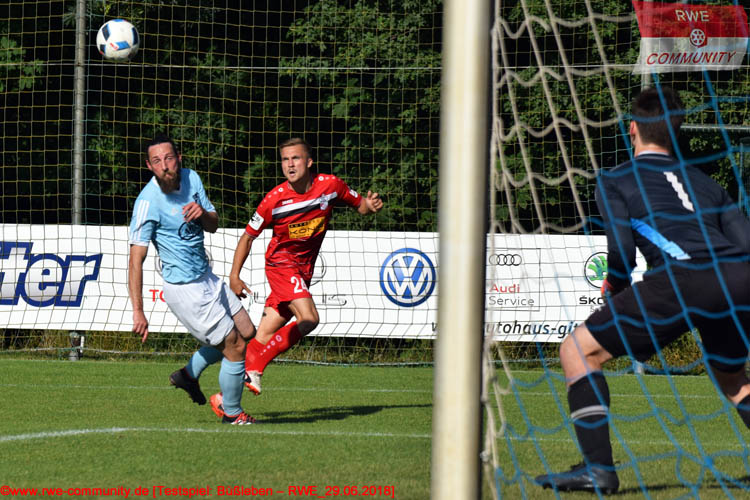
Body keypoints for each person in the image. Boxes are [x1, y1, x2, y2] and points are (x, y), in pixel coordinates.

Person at [535, 86, 750, 493]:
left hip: (684, 276)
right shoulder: (707, 184)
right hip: (739, 279)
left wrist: (614, 286)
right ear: (675, 132)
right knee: (734, 380)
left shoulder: (615, 179)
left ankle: (598, 469)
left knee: (577, 350)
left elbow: (621, 252)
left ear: (632, 128)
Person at [229, 137, 384, 395]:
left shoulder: (331, 185)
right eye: (285, 160)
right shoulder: (273, 200)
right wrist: (234, 276)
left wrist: (371, 205)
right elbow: (247, 237)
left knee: (262, 338)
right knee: (309, 318)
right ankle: (255, 368)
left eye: (296, 158)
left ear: (309, 162)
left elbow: (361, 206)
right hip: (281, 265)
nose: (290, 164)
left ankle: (224, 397)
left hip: (303, 271)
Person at [128, 133, 257, 425]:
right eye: (157, 161)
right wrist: (138, 310)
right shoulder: (147, 202)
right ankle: (232, 413)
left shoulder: (192, 178)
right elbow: (135, 260)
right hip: (185, 290)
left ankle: (188, 375)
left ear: (179, 158)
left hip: (207, 277)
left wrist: (202, 214)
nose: (164, 165)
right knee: (235, 346)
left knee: (247, 331)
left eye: (169, 158)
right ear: (149, 166)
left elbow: (213, 224)